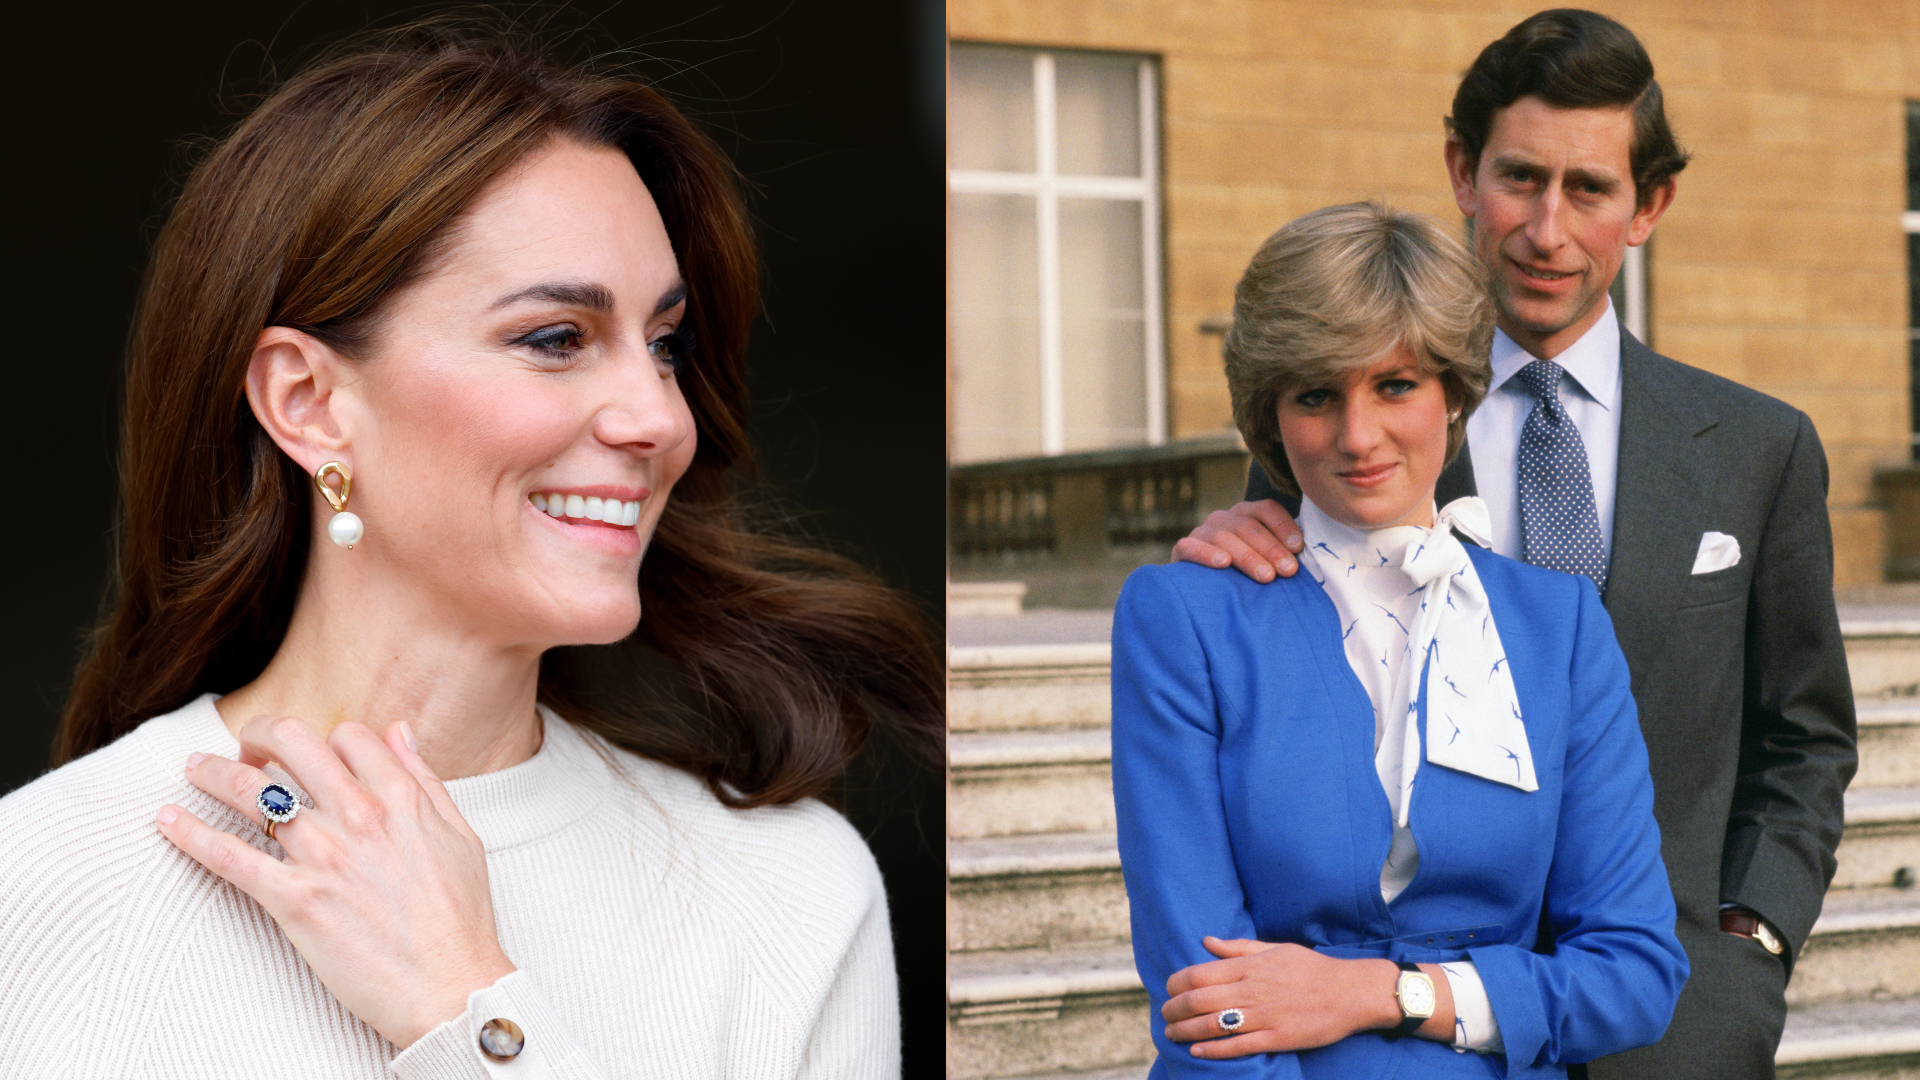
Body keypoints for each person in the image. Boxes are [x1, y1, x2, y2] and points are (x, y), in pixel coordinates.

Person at [0, 24, 941, 1079]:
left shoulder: (788, 899)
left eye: (664, 344)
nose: (658, 417)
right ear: (308, 403)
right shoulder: (35, 887)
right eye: (555, 338)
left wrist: (466, 1008)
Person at [1172, 11, 1856, 1079]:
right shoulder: (1362, 424)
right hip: (1396, 1022)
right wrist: (1229, 545)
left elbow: (1804, 735)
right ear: (1461, 171)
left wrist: (1751, 940)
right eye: (1520, 178)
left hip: (1668, 1008)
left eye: (1589, 189)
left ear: (1649, 205)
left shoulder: (1761, 450)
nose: (1547, 228)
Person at [1113, 201, 1687, 1079]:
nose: (1357, 436)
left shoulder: (1560, 629)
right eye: (1315, 395)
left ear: (1455, 394)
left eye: (1395, 385)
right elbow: (1204, 1002)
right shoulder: (1185, 619)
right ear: (1270, 413)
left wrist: (1385, 993)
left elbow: (1634, 974)